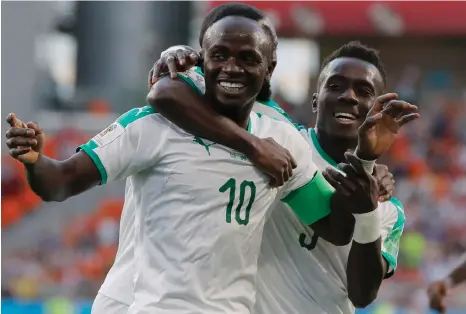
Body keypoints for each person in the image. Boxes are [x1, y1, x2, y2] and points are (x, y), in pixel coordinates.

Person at [4, 4, 396, 314]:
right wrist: (37, 161)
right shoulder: (154, 126)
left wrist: (365, 189)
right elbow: (59, 182)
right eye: (220, 55)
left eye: (247, 58)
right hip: (142, 306)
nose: (231, 68)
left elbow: (335, 226)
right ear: (200, 59)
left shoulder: (282, 138)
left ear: (269, 68)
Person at [147, 36, 418, 312]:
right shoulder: (277, 138)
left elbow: (362, 295)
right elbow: (214, 81)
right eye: (335, 86)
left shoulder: (389, 209)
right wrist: (179, 53)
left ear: (378, 110)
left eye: (364, 91)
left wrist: (367, 206)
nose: (349, 96)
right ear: (315, 100)